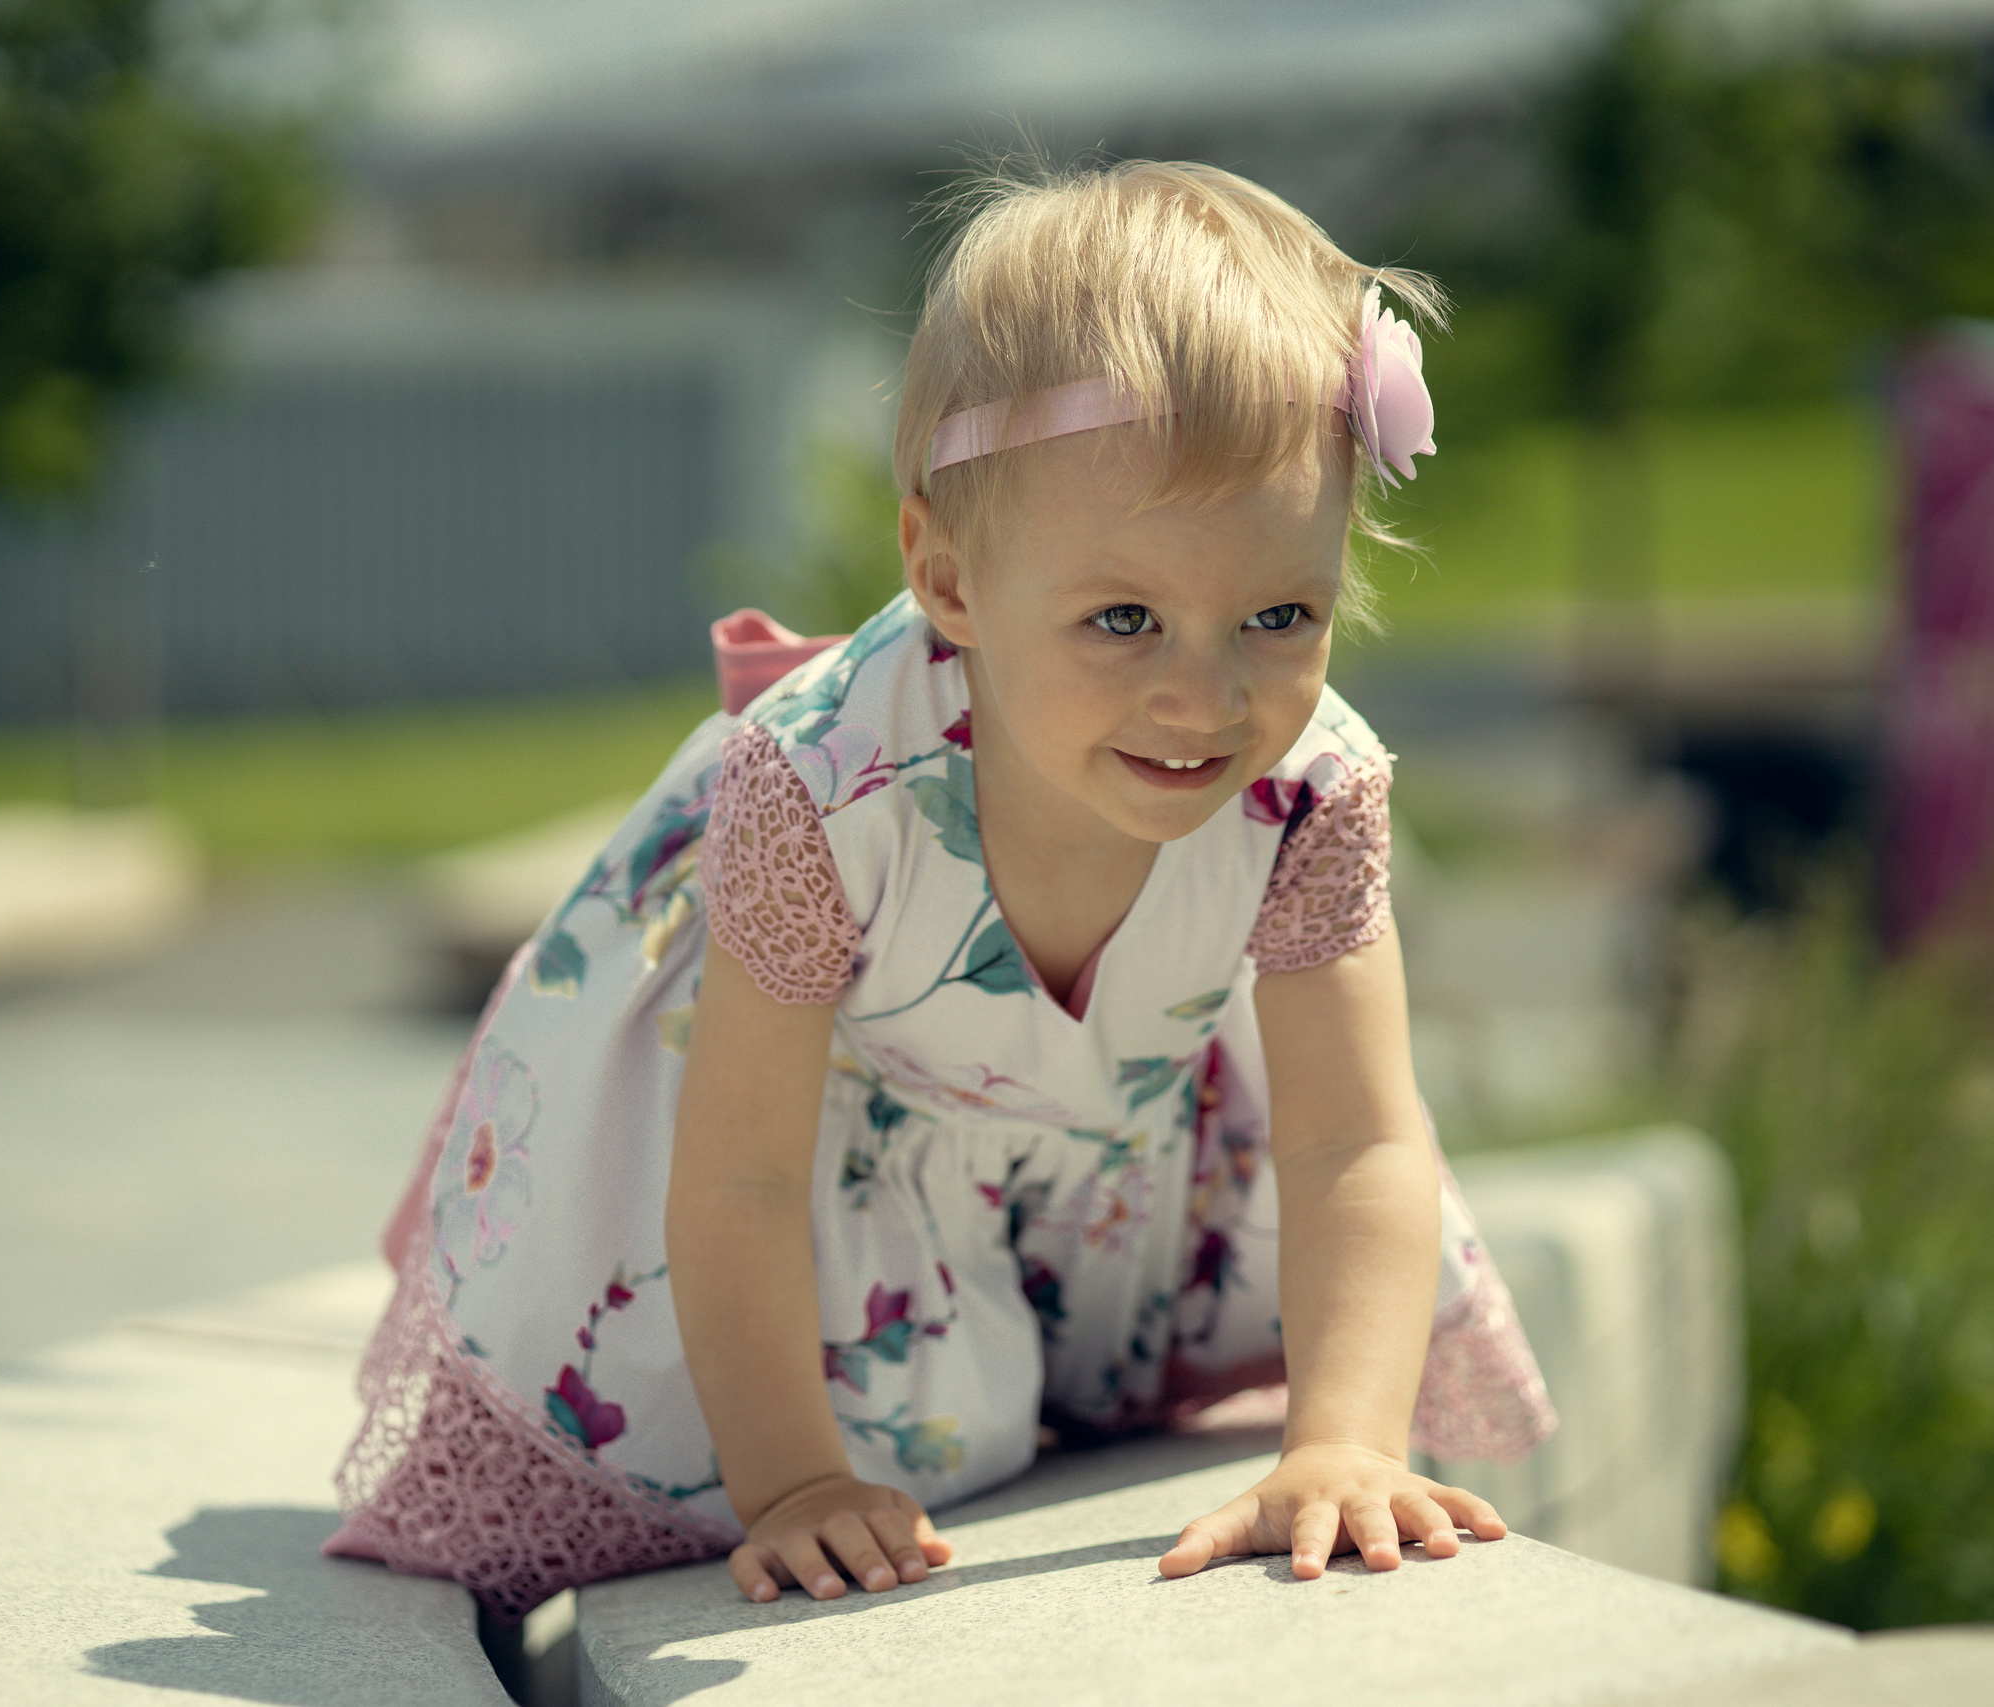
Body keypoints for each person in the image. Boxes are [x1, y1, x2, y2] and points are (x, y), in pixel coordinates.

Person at [323, 158, 1555, 1619]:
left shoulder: (1311, 792)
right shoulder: (822, 793)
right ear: (950, 579)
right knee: (841, 1405)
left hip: (1117, 1142)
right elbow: (741, 1174)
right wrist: (795, 1483)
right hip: (837, 1155)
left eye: (1280, 615)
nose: (1207, 697)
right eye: (1123, 618)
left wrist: (1342, 1441)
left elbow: (1355, 1140)